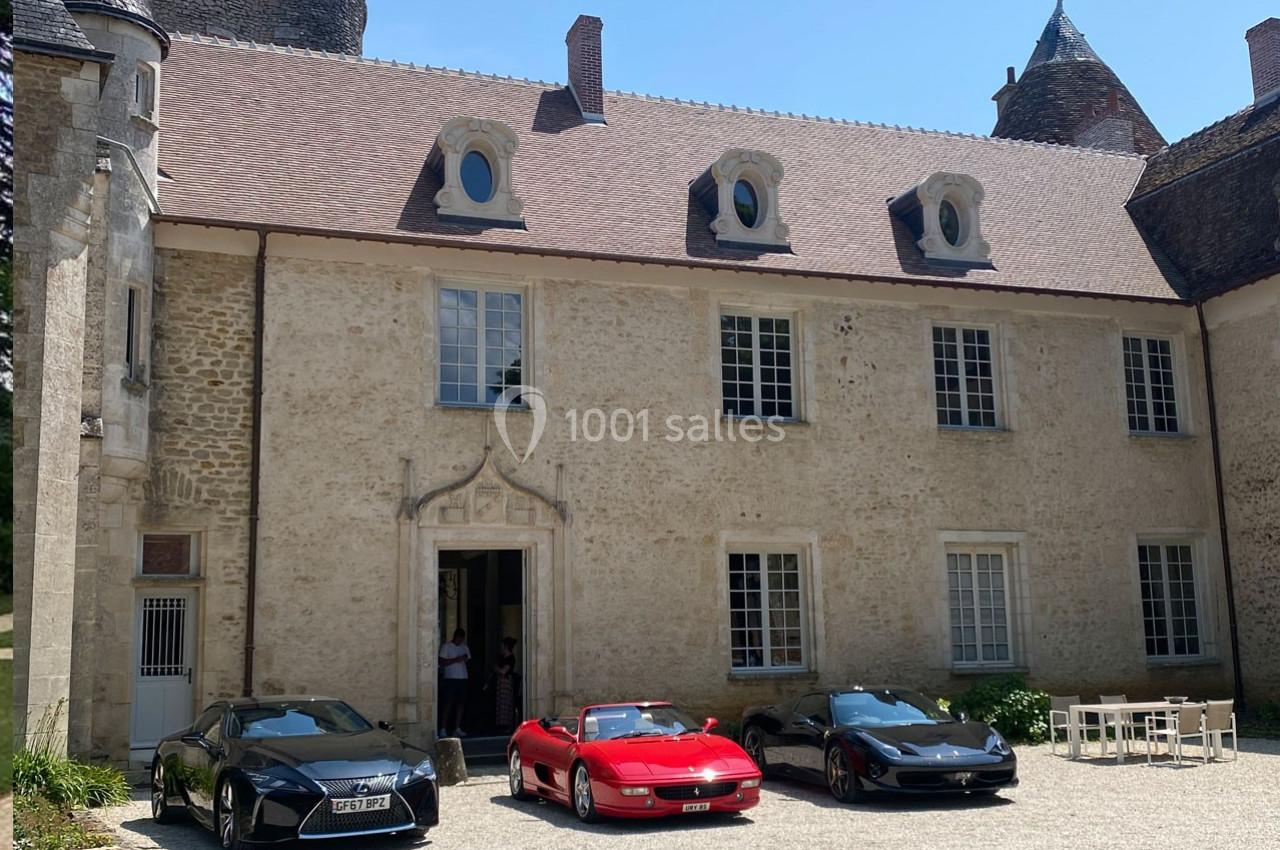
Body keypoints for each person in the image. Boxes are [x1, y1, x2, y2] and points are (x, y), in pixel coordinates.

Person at [438, 628, 471, 738]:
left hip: (462, 678)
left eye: (461, 639)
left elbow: (468, 658)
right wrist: (455, 660)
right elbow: (441, 662)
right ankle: (443, 728)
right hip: (450, 679)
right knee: (447, 703)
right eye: (458, 639)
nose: (459, 641)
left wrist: (463, 658)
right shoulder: (446, 646)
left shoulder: (464, 647)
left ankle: (457, 728)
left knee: (460, 704)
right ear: (455, 637)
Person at [492, 636, 519, 732]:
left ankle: (508, 726)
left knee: (506, 704)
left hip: (506, 683)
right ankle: (500, 725)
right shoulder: (501, 657)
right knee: (500, 704)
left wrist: (496, 669)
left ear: (506, 646)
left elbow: (503, 671)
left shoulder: (511, 658)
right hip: (500, 682)